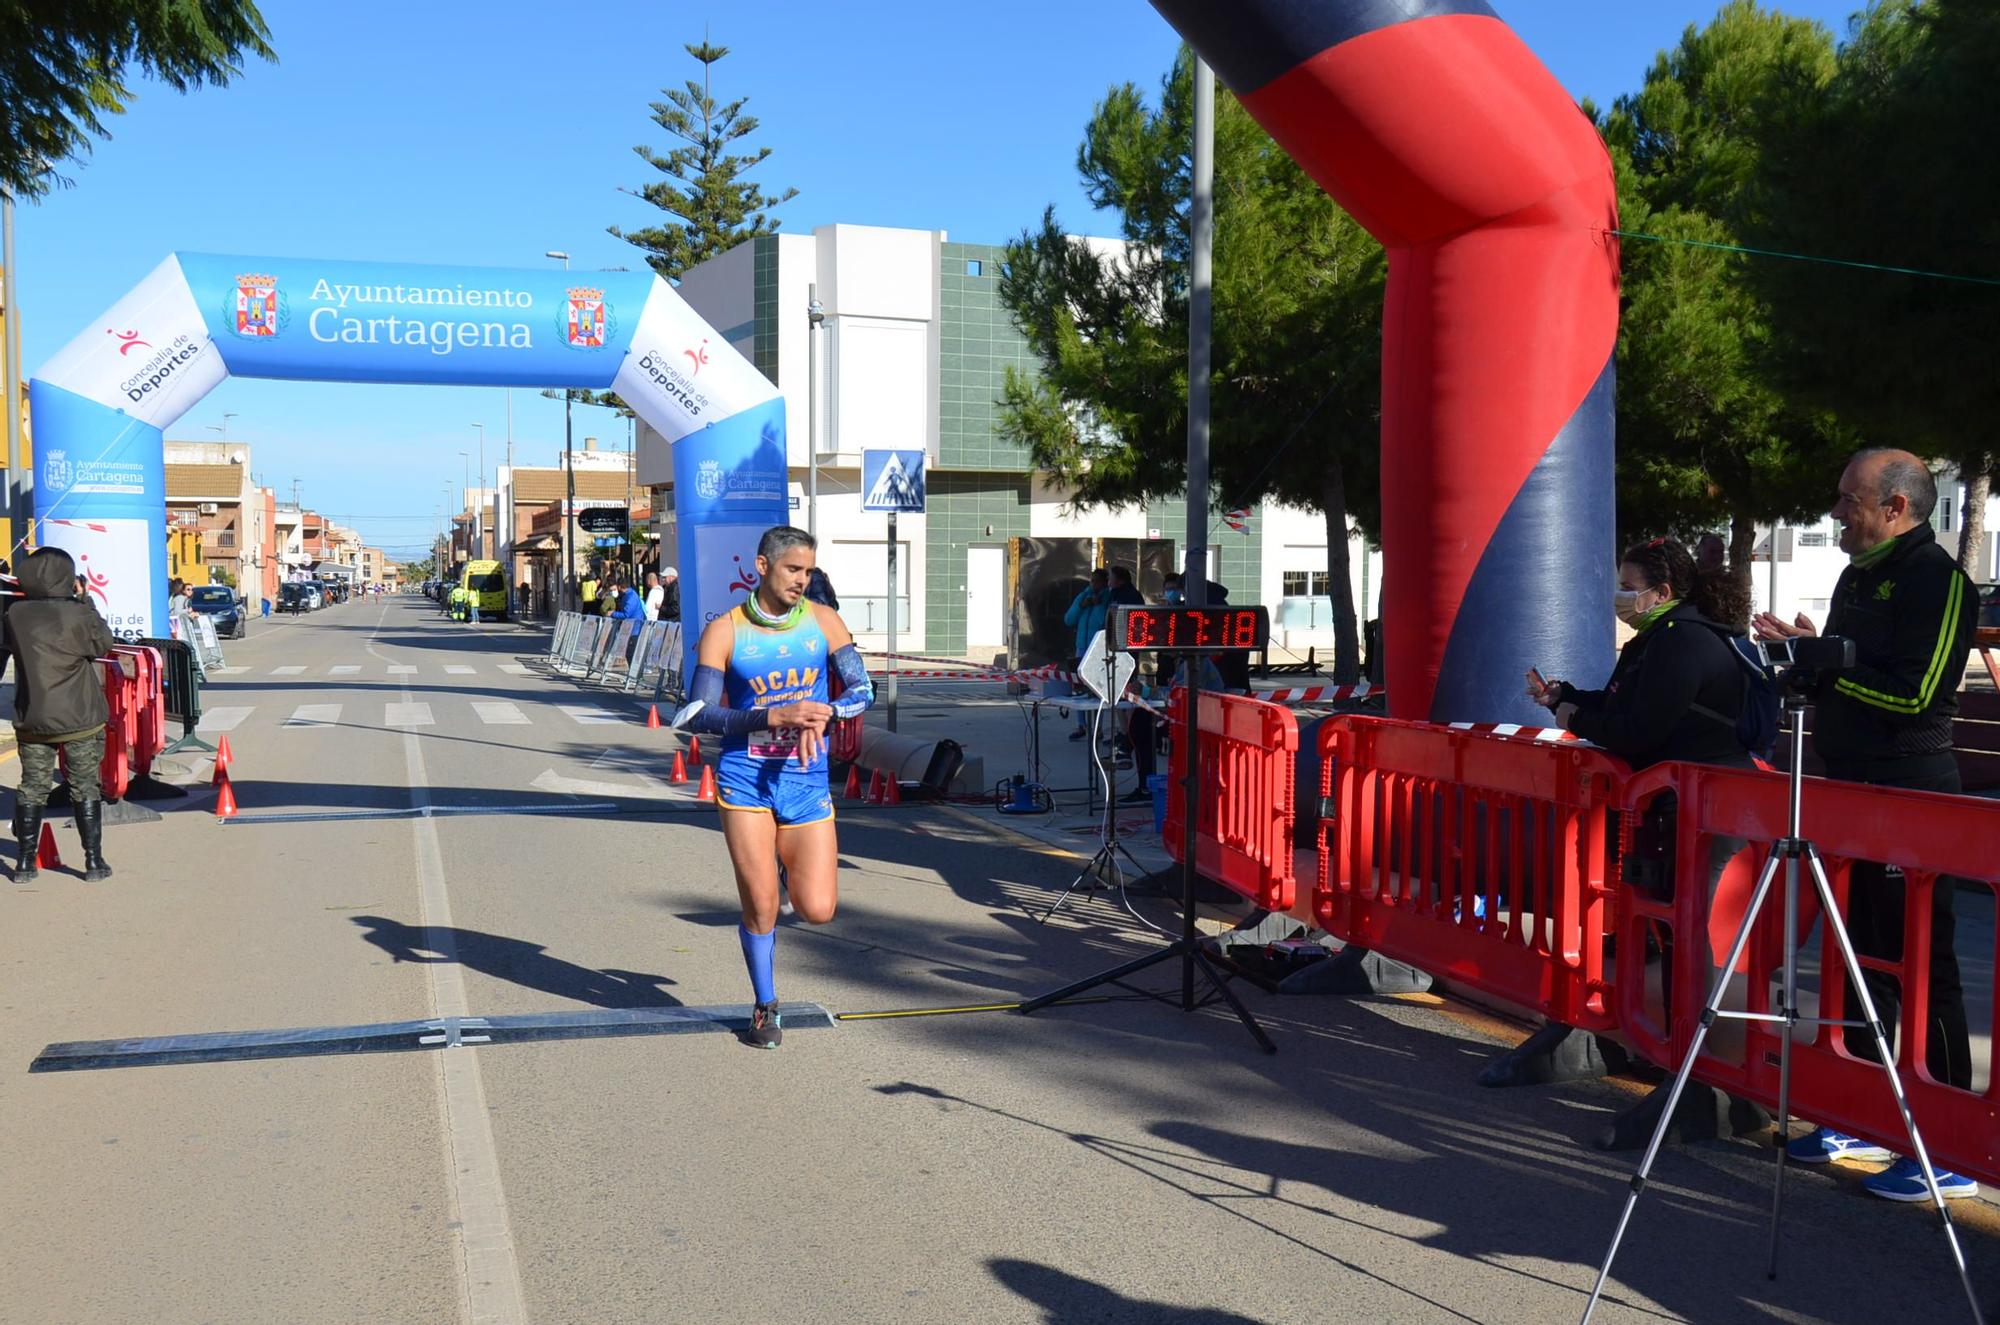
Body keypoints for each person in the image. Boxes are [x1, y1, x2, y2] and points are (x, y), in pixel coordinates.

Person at [1754, 447, 1978, 1201]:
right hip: (1845, 787)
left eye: (1849, 500)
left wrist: (1834, 660)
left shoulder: (1938, 579)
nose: (1835, 512)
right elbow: (1838, 676)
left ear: (1896, 507)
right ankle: (1863, 1112)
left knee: (1921, 962)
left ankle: (1949, 1142)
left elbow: (1917, 695)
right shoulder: (1856, 575)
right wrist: (1803, 654)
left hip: (1912, 793)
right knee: (1857, 956)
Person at [678, 526, 874, 1048]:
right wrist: (773, 714)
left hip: (804, 779)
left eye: (808, 571)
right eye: (793, 570)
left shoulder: (824, 621)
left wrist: (827, 712)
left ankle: (783, 869)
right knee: (762, 906)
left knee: (817, 909)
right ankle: (765, 1006)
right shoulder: (725, 630)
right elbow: (697, 714)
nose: (802, 581)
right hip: (745, 781)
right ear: (763, 566)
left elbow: (863, 688)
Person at [1529, 537, 1755, 771]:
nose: (1619, 596)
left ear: (1662, 593)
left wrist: (1577, 720)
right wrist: (1562, 697)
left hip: (1694, 792)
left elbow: (1640, 733)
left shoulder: (1681, 640)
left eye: (1628, 588)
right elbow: (1619, 705)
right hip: (1673, 786)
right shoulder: (1658, 635)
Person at [7, 547, 116, 882]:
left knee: (32, 787)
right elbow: (103, 644)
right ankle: (93, 862)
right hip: (79, 716)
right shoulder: (77, 614)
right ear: (68, 579)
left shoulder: (15, 614)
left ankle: (25, 864)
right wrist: (87, 602)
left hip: (34, 717)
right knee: (85, 787)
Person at [1063, 569, 1112, 740]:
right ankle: (1081, 725)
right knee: (1078, 685)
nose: (1094, 584)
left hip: (1098, 647)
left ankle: (1097, 727)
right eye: (1092, 581)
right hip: (1081, 647)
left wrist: (1097, 604)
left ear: (1106, 582)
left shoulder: (1107, 598)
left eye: (1098, 581)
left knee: (1097, 687)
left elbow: (1104, 621)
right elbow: (1069, 619)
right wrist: (1082, 604)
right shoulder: (1084, 595)